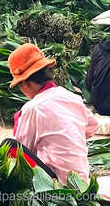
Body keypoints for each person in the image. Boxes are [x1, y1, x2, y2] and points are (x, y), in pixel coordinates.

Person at [8, 43, 98, 183]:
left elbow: (21, 150)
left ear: (25, 84)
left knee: (9, 147)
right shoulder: (71, 97)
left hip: (54, 184)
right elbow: (93, 126)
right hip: (81, 181)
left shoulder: (33, 108)